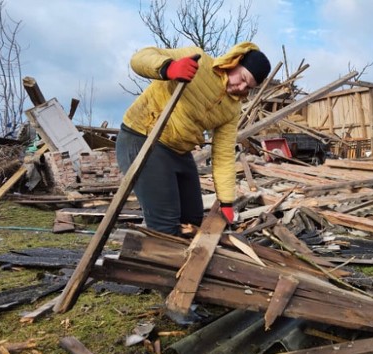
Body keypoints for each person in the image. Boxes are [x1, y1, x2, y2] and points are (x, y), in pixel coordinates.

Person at [115, 42, 271, 235]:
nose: (240, 87)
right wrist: (168, 68)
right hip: (143, 137)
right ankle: (163, 261)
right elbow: (139, 58)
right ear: (234, 62)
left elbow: (223, 155)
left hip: (179, 150)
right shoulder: (197, 59)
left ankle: (188, 259)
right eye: (242, 78)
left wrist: (226, 201)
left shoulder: (232, 108)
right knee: (166, 224)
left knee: (192, 220)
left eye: (248, 86)